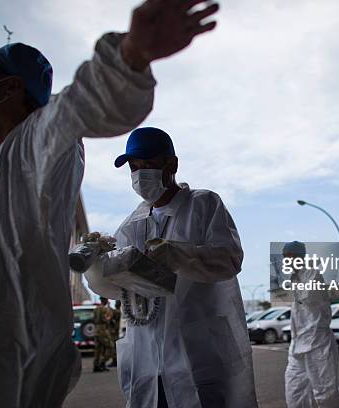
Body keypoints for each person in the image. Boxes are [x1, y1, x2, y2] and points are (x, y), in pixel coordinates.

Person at [0, 1, 220, 406]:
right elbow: (107, 286)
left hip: (7, 342)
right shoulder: (7, 158)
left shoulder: (41, 134)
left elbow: (84, 104)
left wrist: (132, 55)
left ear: (12, 87)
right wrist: (97, 266)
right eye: (132, 165)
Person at [86, 127, 258, 407]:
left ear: (172, 164)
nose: (141, 175)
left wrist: (178, 255)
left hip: (195, 352)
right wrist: (95, 269)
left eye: (149, 165)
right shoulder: (132, 224)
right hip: (147, 361)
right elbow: (119, 290)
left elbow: (229, 259)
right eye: (134, 167)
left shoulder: (203, 204)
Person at [282, 241, 339, 408]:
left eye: (289, 257)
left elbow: (308, 297)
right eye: (284, 258)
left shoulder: (313, 273)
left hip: (318, 344)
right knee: (295, 394)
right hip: (297, 346)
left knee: (326, 395)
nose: (286, 262)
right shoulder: (294, 278)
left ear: (299, 257)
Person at [93, 297, 115, 372]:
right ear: (105, 300)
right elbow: (108, 318)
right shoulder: (105, 309)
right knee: (111, 346)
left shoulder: (96, 309)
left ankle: (96, 365)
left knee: (98, 349)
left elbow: (94, 319)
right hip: (103, 330)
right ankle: (102, 362)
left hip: (96, 330)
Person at [106, 300, 122, 368]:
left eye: (116, 303)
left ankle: (115, 361)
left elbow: (110, 318)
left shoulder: (117, 311)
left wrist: (108, 306)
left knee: (114, 346)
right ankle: (115, 360)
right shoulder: (118, 311)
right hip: (116, 330)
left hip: (114, 331)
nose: (115, 304)